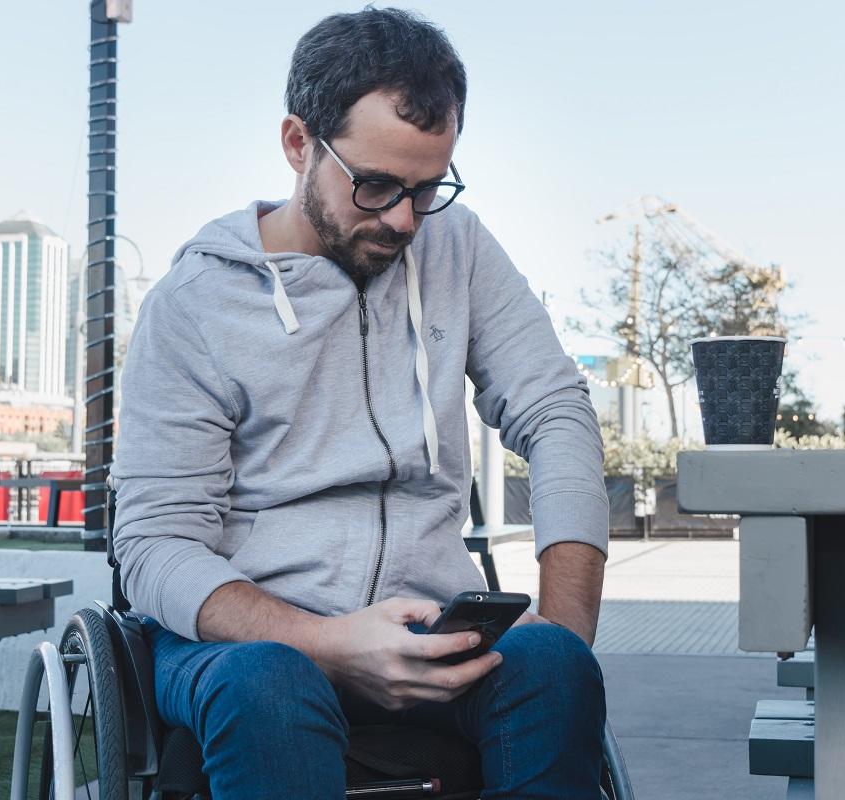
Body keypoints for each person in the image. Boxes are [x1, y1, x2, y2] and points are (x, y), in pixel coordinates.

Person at [112, 8, 609, 799]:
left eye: (427, 188)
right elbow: (153, 544)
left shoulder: (459, 247)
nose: (405, 220)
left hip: (428, 621)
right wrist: (326, 642)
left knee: (552, 665)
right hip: (245, 644)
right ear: (298, 144)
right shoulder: (194, 304)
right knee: (271, 682)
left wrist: (567, 629)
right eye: (376, 185)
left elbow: (557, 413)